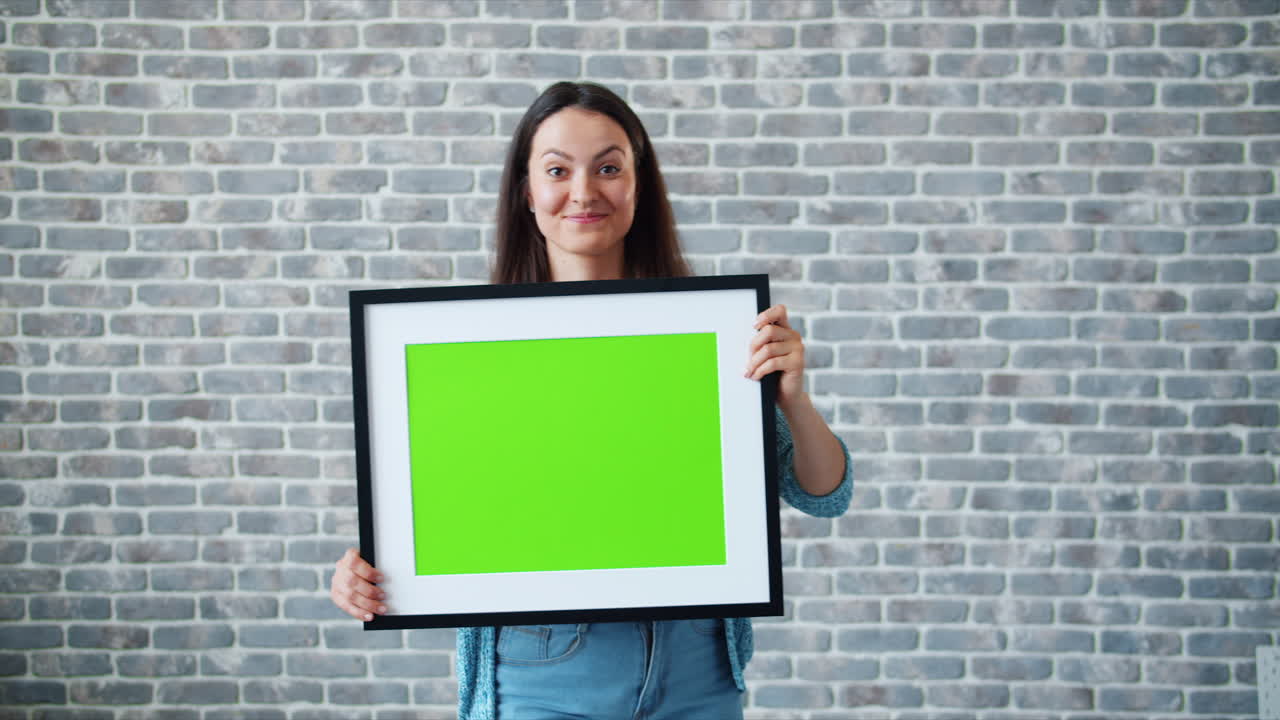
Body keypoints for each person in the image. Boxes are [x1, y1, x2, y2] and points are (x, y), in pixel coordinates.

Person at [331, 81, 853, 720]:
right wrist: (368, 572)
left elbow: (823, 496)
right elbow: (442, 511)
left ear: (639, 185)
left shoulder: (707, 337)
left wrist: (794, 398)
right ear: (527, 192)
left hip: (696, 668)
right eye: (558, 170)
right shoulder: (466, 349)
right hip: (538, 672)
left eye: (609, 167)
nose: (584, 191)